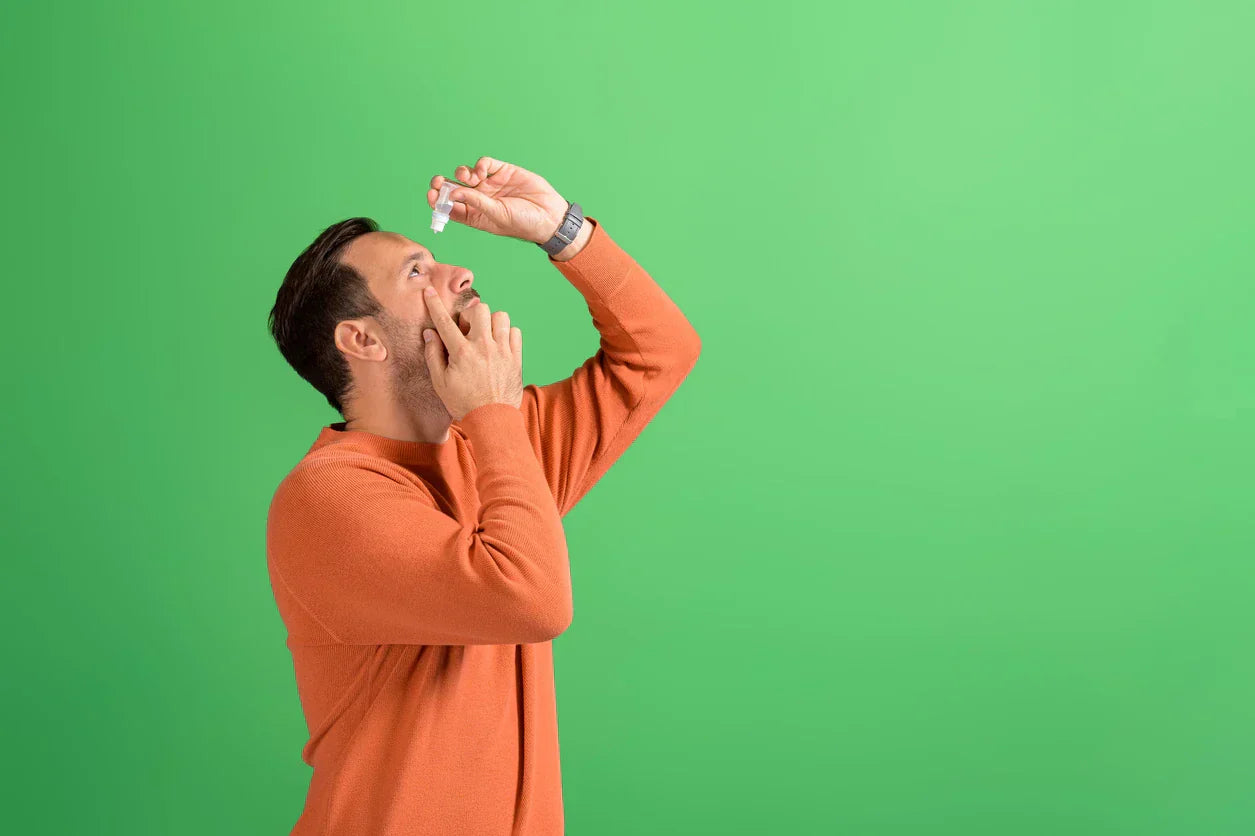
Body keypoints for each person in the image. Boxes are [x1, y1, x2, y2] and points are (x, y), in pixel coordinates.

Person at [264, 156, 701, 835]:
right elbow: (531, 600)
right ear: (362, 340)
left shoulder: (495, 450)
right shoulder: (327, 500)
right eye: (417, 273)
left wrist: (562, 231)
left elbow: (660, 352)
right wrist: (492, 414)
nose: (459, 273)